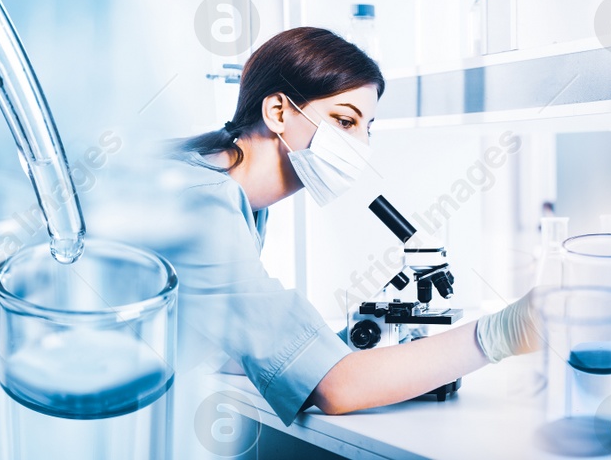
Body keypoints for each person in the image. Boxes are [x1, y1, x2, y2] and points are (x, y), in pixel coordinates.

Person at [158, 27, 538, 426]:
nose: (361, 145)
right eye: (344, 121)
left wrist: (350, 353)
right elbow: (335, 389)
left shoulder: (236, 198)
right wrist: (508, 329)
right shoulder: (203, 203)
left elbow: (227, 342)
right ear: (278, 112)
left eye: (367, 127)